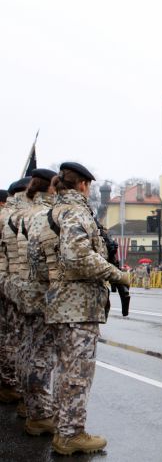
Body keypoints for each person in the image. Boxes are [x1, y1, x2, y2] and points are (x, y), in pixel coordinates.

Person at [45, 162, 131, 455]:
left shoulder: (53, 212)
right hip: (78, 305)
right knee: (77, 373)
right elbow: (78, 256)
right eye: (89, 185)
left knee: (64, 370)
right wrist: (116, 275)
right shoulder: (76, 212)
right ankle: (71, 435)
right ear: (83, 185)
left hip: (61, 302)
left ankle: (63, 428)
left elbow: (37, 259)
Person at [17, 169, 58, 436]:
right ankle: (39, 413)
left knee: (28, 349)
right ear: (50, 188)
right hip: (42, 290)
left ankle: (30, 405)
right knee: (41, 355)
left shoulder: (23, 214)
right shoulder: (44, 215)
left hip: (25, 287)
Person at [0, 177, 31, 407]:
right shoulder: (17, 217)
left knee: (8, 335)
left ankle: (9, 384)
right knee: (18, 339)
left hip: (6, 280)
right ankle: (14, 386)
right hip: (17, 281)